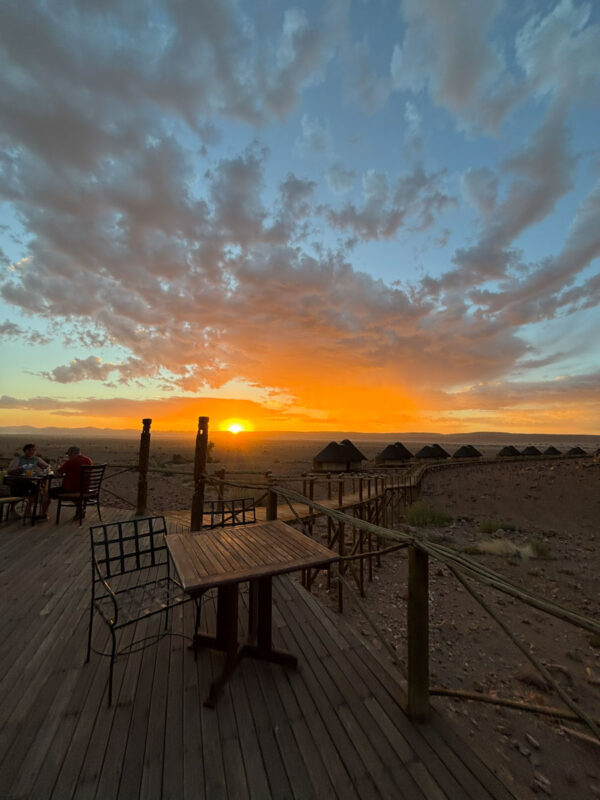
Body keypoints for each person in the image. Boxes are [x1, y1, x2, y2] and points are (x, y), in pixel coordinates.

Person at [42, 446, 93, 519]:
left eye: (68, 455)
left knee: (47, 492)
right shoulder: (88, 460)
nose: (68, 456)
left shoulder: (71, 462)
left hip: (71, 489)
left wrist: (58, 466)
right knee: (72, 490)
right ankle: (80, 510)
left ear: (71, 453)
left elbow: (57, 474)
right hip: (84, 488)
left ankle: (43, 514)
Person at [7, 443, 50, 519]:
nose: (32, 452)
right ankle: (13, 510)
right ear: (25, 451)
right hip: (16, 481)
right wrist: (21, 468)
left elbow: (46, 466)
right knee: (32, 489)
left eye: (34, 450)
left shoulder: (36, 459)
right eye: (30, 450)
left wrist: (46, 468)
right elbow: (9, 471)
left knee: (35, 489)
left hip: (28, 481)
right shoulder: (18, 459)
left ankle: (28, 509)